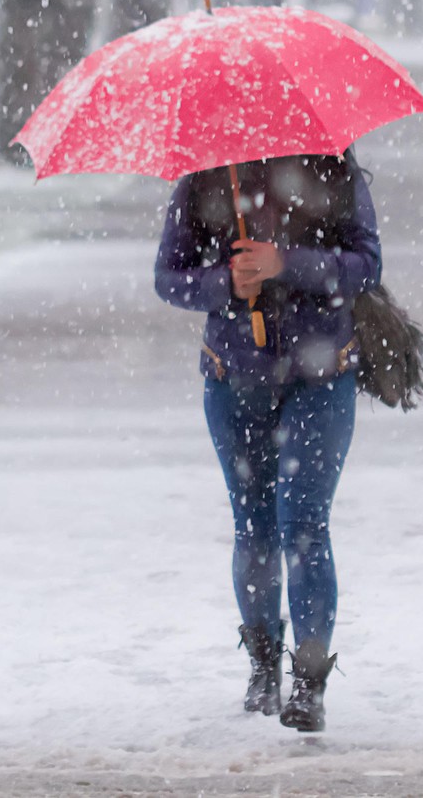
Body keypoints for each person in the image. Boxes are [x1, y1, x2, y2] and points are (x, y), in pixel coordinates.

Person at [154, 152, 382, 732]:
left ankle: (309, 683)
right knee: (253, 526)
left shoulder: (334, 169)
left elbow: (365, 266)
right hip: (234, 381)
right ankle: (262, 665)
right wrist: (225, 282)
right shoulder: (206, 175)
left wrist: (286, 264)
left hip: (321, 378)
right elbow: (168, 277)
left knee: (303, 523)